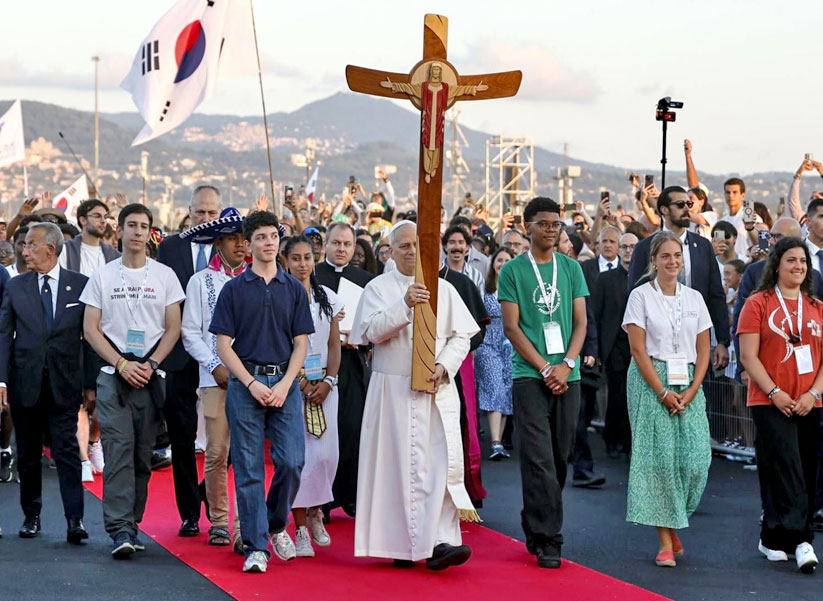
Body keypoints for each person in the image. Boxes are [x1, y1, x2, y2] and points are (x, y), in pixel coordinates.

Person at [349, 220, 480, 570]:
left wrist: (445, 366)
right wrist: (404, 306)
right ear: (390, 250)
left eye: (416, 245)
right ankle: (399, 544)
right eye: (403, 245)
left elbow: (462, 337)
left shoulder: (444, 288)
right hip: (391, 389)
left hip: (434, 389)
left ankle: (441, 542)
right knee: (395, 466)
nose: (411, 251)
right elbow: (369, 332)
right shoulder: (378, 287)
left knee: (436, 465)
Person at [210, 211, 313, 574]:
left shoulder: (294, 289)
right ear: (249, 244)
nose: (269, 243)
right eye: (261, 237)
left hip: (285, 384)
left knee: (292, 462)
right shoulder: (234, 289)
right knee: (249, 469)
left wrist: (285, 384)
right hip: (245, 384)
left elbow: (301, 344)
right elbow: (223, 345)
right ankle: (257, 546)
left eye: (273, 236)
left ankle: (272, 522)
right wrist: (251, 383)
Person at [81, 203, 185, 558]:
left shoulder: (165, 276)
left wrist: (151, 362)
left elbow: (174, 327)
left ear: (150, 232)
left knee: (143, 456)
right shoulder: (103, 276)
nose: (138, 232)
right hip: (114, 376)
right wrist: (121, 364)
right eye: (132, 225)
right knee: (119, 452)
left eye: (144, 226)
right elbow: (90, 328)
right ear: (120, 231)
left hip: (151, 376)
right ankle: (118, 529)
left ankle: (132, 523)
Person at [499, 197, 589, 569]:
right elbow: (511, 327)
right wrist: (544, 368)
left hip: (569, 375)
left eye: (556, 225)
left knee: (559, 456)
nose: (551, 230)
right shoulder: (513, 271)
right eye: (544, 224)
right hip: (529, 376)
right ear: (528, 227)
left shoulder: (571, 269)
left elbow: (581, 322)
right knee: (537, 458)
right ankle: (550, 539)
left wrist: (566, 365)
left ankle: (536, 521)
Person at [622, 231, 713, 568]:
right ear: (654, 261)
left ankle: (673, 516)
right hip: (650, 378)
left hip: (689, 378)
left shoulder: (694, 298)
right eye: (666, 256)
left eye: (677, 255)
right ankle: (664, 539)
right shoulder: (640, 296)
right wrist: (660, 390)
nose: (672, 261)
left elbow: (703, 349)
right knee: (660, 459)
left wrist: (692, 388)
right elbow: (637, 347)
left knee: (695, 461)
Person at [0, 223, 90, 544]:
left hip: (65, 384)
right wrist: (1, 380)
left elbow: (89, 338)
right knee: (27, 453)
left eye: (30, 246)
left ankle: (75, 520)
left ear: (50, 250)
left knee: (67, 451)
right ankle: (31, 516)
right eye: (23, 246)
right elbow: (3, 335)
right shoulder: (16, 286)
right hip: (25, 382)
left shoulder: (80, 286)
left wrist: (90, 384)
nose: (24, 252)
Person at [738, 237, 822, 573]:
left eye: (802, 261)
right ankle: (802, 540)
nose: (798, 266)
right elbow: (748, 356)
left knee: (794, 468)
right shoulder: (758, 303)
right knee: (790, 467)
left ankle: (771, 537)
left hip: (809, 402)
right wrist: (775, 392)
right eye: (791, 260)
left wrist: (813, 394)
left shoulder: (816, 306)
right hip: (769, 401)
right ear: (777, 264)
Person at [180, 208, 247, 551]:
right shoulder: (200, 280)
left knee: (248, 454)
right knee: (218, 452)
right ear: (218, 242)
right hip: (215, 380)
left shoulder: (260, 277)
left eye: (243, 237)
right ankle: (220, 521)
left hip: (253, 380)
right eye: (233, 237)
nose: (241, 244)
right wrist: (213, 365)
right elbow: (189, 332)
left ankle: (243, 524)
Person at [156, 184, 221, 537]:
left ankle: (210, 498)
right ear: (189, 211)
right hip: (178, 357)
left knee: (220, 441)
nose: (206, 219)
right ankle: (189, 512)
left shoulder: (229, 247)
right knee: (181, 438)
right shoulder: (170, 247)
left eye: (212, 213)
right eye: (201, 212)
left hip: (219, 356)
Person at [284, 235, 343, 558]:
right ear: (286, 261)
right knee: (300, 458)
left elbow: (334, 344)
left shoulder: (327, 298)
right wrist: (301, 381)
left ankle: (317, 510)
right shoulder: (280, 297)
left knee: (327, 455)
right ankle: (300, 527)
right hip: (294, 385)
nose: (303, 264)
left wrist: (330, 380)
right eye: (296, 258)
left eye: (308, 258)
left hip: (325, 386)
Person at [628, 187, 730, 372]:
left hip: (695, 340)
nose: (687, 209)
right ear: (664, 210)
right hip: (657, 345)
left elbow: (715, 295)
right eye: (680, 204)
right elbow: (635, 294)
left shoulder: (703, 246)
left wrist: (722, 341)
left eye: (689, 204)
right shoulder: (645, 248)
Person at [314, 222, 373, 517]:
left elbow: (374, 323)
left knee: (351, 429)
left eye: (347, 244)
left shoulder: (365, 280)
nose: (341, 249)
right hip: (317, 365)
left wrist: (359, 341)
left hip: (352, 364)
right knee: (322, 432)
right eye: (336, 243)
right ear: (325, 244)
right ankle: (320, 500)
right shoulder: (311, 276)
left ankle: (349, 495)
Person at [60, 199, 121, 481]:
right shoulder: (68, 251)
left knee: (98, 397)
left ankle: (94, 443)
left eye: (105, 216)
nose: (103, 221)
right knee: (78, 400)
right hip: (74, 332)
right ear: (82, 220)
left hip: (103, 332)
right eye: (97, 216)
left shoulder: (111, 253)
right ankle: (83, 458)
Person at [593, 232, 638, 457]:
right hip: (615, 348)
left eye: (632, 247)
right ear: (619, 251)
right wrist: (597, 350)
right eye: (625, 247)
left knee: (636, 397)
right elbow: (596, 315)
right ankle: (613, 439)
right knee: (617, 395)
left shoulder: (646, 280)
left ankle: (631, 443)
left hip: (639, 347)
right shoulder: (605, 279)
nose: (628, 251)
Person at [475, 247, 514, 459]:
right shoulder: (484, 290)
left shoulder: (517, 289)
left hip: (510, 346)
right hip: (488, 345)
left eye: (508, 260)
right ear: (493, 263)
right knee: (494, 387)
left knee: (506, 389)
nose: (503, 264)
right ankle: (495, 441)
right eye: (500, 260)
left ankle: (499, 441)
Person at [719, 178, 759, 259]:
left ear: (742, 196)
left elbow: (760, 243)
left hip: (746, 263)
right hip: (728, 265)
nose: (730, 195)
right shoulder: (722, 221)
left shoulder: (753, 218)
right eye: (727, 192)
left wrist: (750, 228)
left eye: (735, 192)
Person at [443, 225, 485, 292]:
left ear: (467, 247)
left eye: (461, 242)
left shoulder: (476, 276)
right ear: (445, 246)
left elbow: (479, 301)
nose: (457, 247)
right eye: (452, 242)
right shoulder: (437, 273)